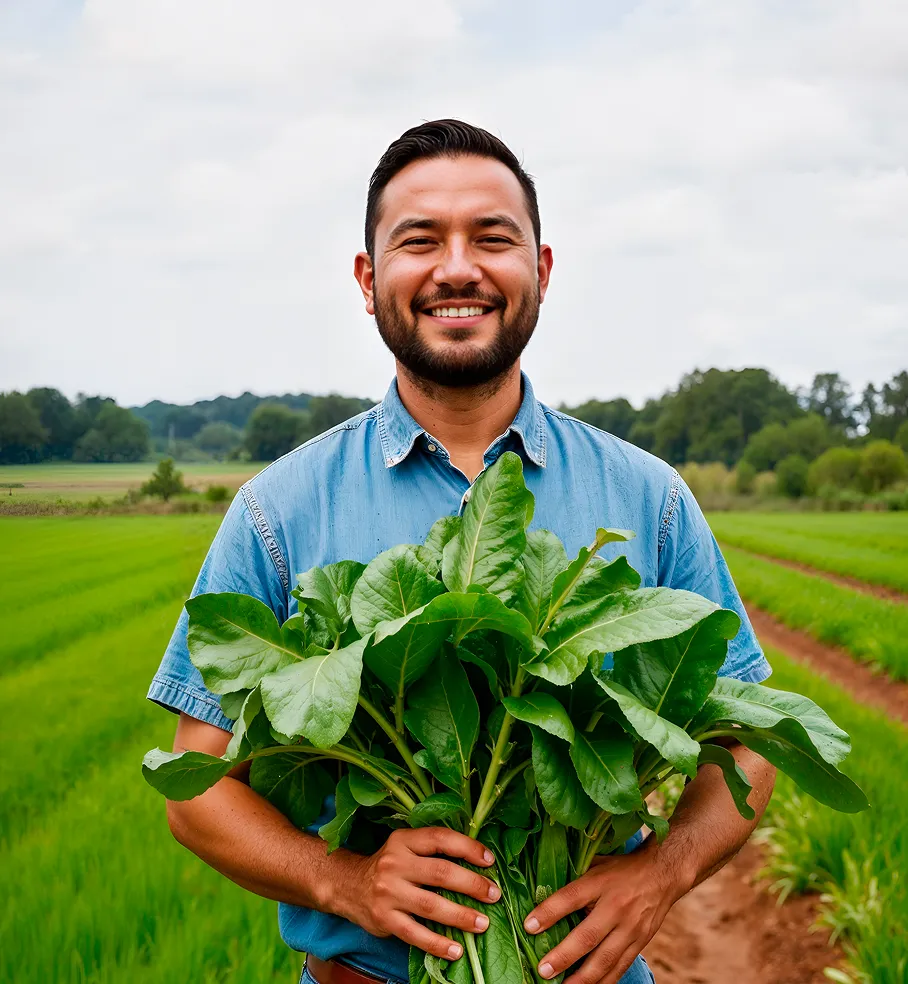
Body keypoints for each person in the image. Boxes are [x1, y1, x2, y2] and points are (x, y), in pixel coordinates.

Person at [148, 119, 776, 984]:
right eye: (419, 241)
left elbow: (751, 741)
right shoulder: (276, 512)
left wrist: (661, 874)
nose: (456, 268)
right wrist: (347, 881)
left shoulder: (649, 497)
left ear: (541, 271)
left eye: (492, 238)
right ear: (369, 281)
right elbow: (196, 784)